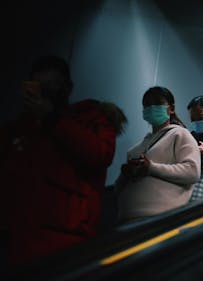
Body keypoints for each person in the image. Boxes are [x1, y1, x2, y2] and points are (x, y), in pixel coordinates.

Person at [0, 55, 127, 267]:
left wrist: (52, 118)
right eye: (38, 86)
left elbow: (99, 154)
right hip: (18, 237)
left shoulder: (91, 118)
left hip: (66, 239)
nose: (44, 92)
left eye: (51, 86)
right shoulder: (21, 128)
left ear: (67, 88)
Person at [114, 86, 200, 224]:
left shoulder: (180, 134)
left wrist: (151, 167)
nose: (152, 107)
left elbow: (192, 172)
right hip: (126, 219)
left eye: (157, 103)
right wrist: (125, 174)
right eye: (147, 104)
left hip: (159, 220)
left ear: (171, 108)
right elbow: (118, 188)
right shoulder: (136, 148)